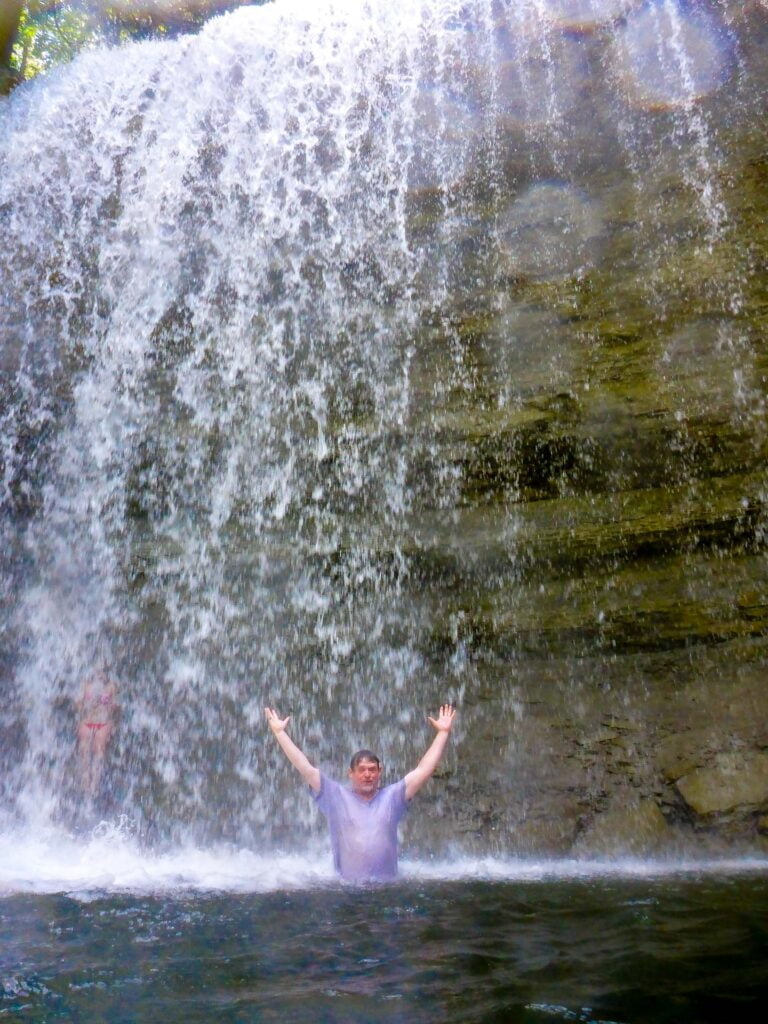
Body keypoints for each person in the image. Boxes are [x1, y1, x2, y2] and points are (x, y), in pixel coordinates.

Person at [264, 703, 456, 882]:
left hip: (387, 889)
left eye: (372, 770)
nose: (367, 775)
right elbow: (304, 767)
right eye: (362, 770)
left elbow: (423, 770)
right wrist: (280, 733)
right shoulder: (335, 796)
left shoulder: (393, 797)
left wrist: (443, 733)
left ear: (379, 772)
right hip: (347, 889)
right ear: (351, 773)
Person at [76, 667, 119, 798]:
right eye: (97, 669)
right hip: (88, 720)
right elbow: (77, 704)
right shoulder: (85, 685)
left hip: (103, 722)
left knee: (99, 748)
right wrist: (85, 703)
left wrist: (107, 706)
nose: (99, 673)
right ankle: (85, 777)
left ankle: (94, 783)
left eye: (102, 670)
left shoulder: (111, 687)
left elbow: (115, 707)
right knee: (84, 747)